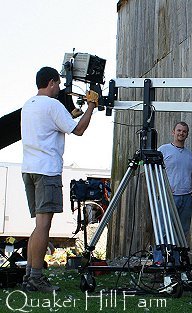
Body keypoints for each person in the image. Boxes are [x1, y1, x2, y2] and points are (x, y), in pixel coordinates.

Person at [21, 66, 98, 292]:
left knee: (38, 226)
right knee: (44, 225)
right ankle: (36, 278)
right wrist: (91, 106)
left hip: (30, 169)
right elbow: (79, 130)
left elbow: (54, 126)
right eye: (58, 84)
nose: (60, 88)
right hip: (47, 171)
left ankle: (29, 276)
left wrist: (72, 114)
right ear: (52, 83)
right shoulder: (53, 105)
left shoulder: (29, 105)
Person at [154, 121, 192, 265]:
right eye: (179, 130)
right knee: (164, 230)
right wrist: (161, 189)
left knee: (181, 232)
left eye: (184, 131)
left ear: (187, 134)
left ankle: (176, 263)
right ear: (173, 132)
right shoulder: (164, 150)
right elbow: (155, 172)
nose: (181, 133)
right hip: (169, 197)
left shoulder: (189, 154)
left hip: (186, 197)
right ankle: (160, 263)